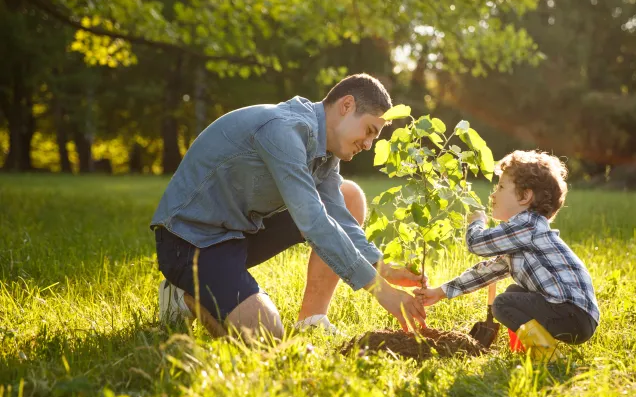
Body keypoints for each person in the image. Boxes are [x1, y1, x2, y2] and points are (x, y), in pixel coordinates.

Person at [150, 73, 427, 340]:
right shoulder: (283, 129)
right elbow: (314, 221)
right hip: (190, 242)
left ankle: (312, 320)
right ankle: (183, 298)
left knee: (349, 196)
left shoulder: (326, 152)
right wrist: (381, 291)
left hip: (238, 233)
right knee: (266, 336)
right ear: (347, 105)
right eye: (369, 131)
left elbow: (339, 216)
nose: (368, 144)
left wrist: (382, 267)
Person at [414, 150, 600, 360]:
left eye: (501, 187)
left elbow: (477, 244)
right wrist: (440, 292)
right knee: (514, 292)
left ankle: (548, 356)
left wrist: (477, 222)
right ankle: (527, 350)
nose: (493, 195)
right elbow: (486, 272)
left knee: (503, 304)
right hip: (576, 315)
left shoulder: (527, 224)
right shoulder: (523, 236)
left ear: (525, 196)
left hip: (571, 313)